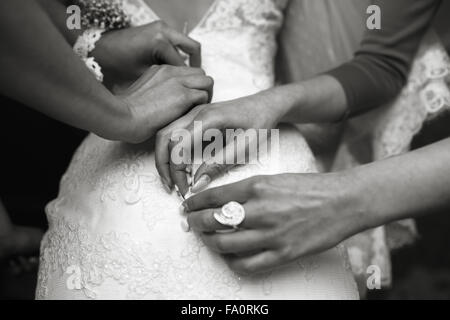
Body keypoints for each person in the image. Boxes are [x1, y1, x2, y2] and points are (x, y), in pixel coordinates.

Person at [36, 0, 360, 300]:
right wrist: (96, 46)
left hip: (265, 145)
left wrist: (274, 102)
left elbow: (374, 66)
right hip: (116, 178)